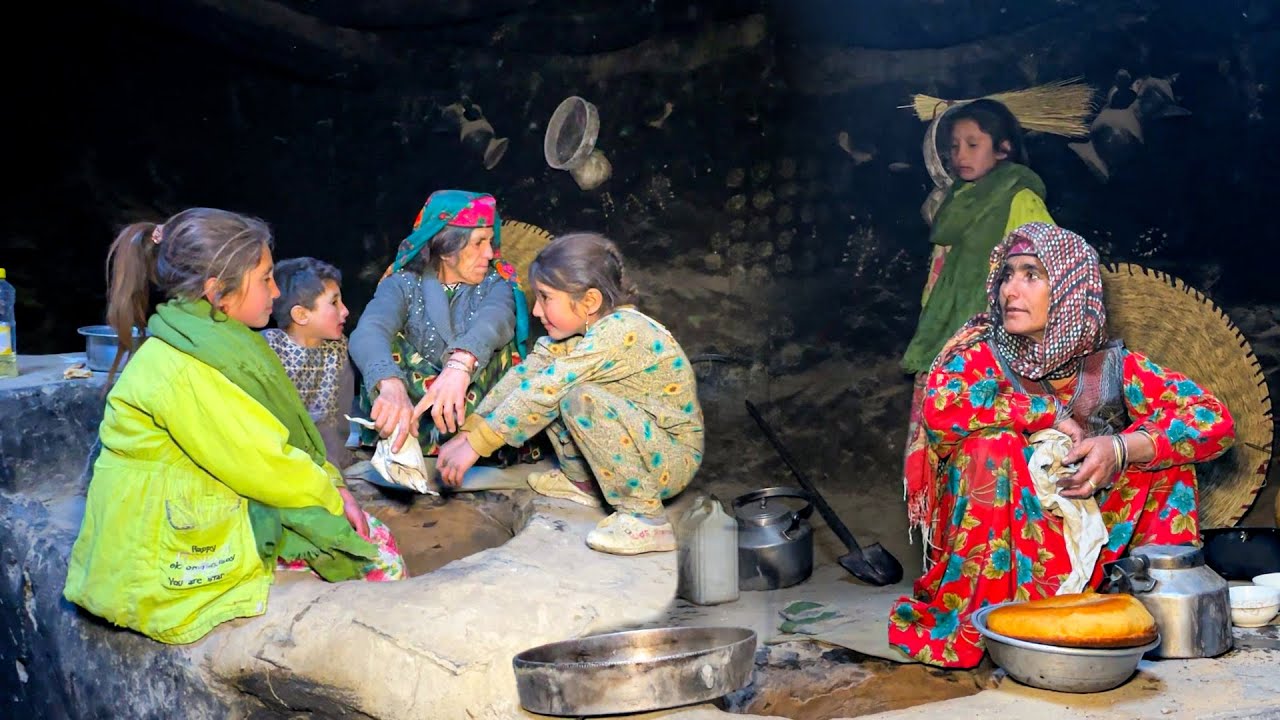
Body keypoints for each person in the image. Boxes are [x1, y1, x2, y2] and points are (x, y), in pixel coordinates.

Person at [891, 222, 1235, 668]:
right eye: (1006, 275)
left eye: (1031, 274)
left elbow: (1213, 419)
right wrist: (1047, 414)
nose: (1010, 290)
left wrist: (1121, 449)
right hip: (1009, 545)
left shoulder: (1112, 366)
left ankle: (1145, 606)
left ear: (1071, 288)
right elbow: (942, 410)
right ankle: (991, 620)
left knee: (1165, 455)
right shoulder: (979, 353)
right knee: (990, 446)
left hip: (1093, 534)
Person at [64, 208, 404, 646]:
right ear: (217, 293)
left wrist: (329, 484)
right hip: (155, 557)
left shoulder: (205, 341)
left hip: (187, 509)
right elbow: (262, 462)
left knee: (333, 528)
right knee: (377, 553)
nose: (276, 291)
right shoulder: (186, 366)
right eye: (265, 278)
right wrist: (332, 495)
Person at [435, 233, 704, 555]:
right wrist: (468, 433)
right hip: (639, 445)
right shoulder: (574, 337)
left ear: (589, 301)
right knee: (546, 382)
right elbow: (523, 380)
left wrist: (477, 447)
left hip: (669, 458)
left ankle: (644, 517)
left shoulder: (621, 331)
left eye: (545, 298)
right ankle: (584, 483)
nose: (536, 311)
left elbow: (545, 391)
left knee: (572, 396)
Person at [901, 98, 1056, 520]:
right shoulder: (956, 202)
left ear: (1002, 149)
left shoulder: (1019, 197)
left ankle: (998, 544)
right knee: (946, 447)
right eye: (954, 146)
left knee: (988, 450)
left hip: (996, 344)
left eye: (973, 144)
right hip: (947, 340)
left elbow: (1043, 272)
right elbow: (938, 279)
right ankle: (952, 547)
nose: (960, 155)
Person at [349, 190, 534, 465]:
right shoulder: (403, 283)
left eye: (490, 241)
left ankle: (475, 442)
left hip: (470, 402)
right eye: (478, 243)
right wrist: (390, 384)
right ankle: (401, 432)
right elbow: (370, 329)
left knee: (502, 348)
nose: (489, 253)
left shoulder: (497, 283)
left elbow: (494, 320)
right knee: (383, 346)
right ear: (447, 250)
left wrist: (460, 365)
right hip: (413, 407)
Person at [263, 257, 356, 470]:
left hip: (328, 456)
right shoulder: (268, 348)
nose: (345, 311)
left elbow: (340, 414)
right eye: (334, 303)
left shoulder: (337, 348)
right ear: (301, 315)